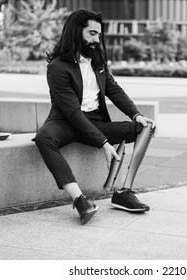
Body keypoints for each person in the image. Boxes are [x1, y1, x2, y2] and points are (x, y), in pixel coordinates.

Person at [34, 9, 156, 225]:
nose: (96, 40)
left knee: (146, 126)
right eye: (92, 33)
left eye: (98, 35)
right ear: (76, 32)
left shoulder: (97, 61)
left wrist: (135, 114)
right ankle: (80, 200)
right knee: (44, 137)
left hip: (96, 122)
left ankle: (123, 192)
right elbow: (72, 112)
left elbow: (114, 90)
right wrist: (104, 143)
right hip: (66, 123)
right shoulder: (57, 68)